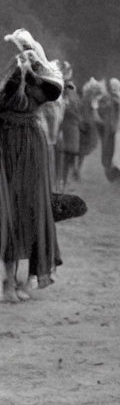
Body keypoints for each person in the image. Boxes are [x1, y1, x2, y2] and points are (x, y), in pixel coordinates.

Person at [0, 29, 63, 302]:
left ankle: (21, 281)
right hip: (11, 147)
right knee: (11, 211)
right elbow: (10, 90)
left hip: (31, 148)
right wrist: (23, 68)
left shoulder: (42, 80)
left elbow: (53, 88)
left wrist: (31, 61)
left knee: (30, 210)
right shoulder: (13, 84)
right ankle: (8, 284)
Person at [55, 62, 82, 190]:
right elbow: (62, 111)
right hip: (66, 127)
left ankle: (65, 181)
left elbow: (75, 107)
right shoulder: (63, 91)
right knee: (64, 156)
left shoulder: (71, 90)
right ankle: (62, 182)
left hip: (72, 127)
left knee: (69, 155)